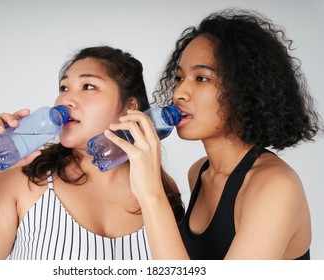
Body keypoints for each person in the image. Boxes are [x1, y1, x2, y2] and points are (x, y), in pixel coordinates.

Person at [104, 9, 322, 259]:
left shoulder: (274, 187)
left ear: (244, 90)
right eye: (179, 77)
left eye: (202, 78)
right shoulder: (198, 172)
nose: (179, 93)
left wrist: (151, 193)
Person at [0, 46, 184, 260]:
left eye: (87, 86)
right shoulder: (26, 182)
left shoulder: (161, 188)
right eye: (64, 87)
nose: (67, 99)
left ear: (129, 107)